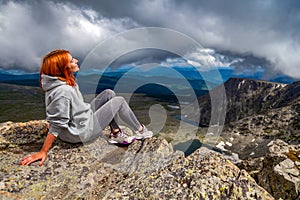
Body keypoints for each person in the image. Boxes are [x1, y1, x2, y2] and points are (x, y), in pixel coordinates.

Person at [20, 49, 153, 166]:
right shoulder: (63, 92)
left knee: (109, 94)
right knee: (119, 101)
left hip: (81, 121)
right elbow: (57, 122)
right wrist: (43, 151)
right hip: (81, 132)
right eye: (72, 61)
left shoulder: (63, 81)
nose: (76, 61)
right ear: (63, 68)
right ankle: (140, 130)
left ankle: (116, 133)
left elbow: (60, 110)